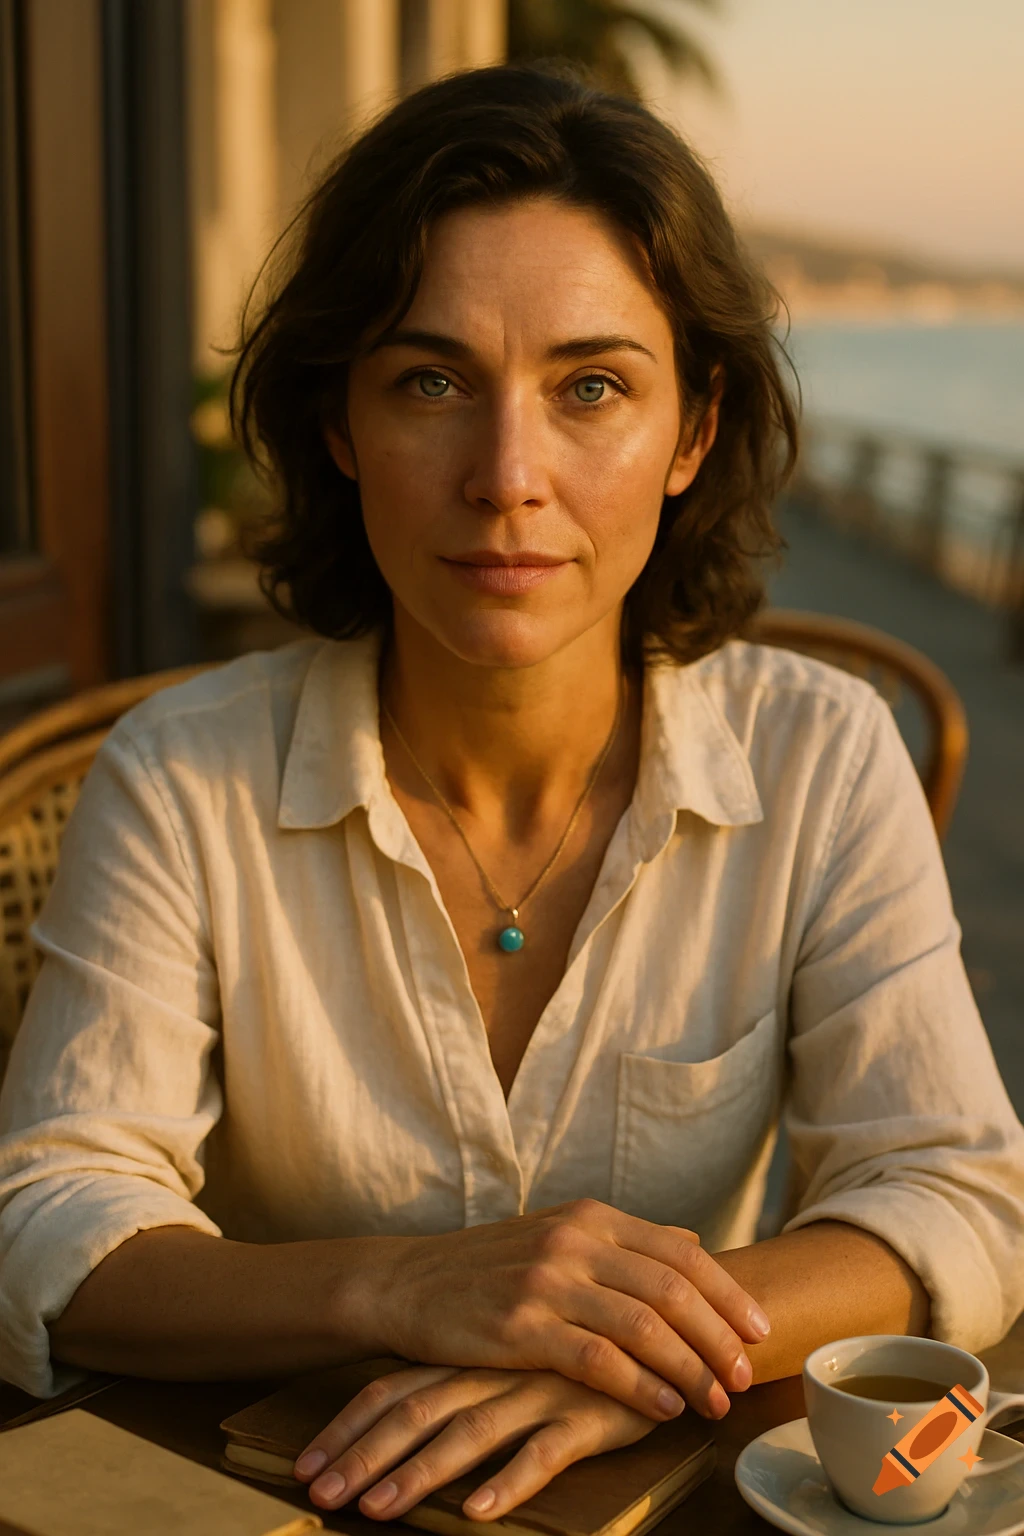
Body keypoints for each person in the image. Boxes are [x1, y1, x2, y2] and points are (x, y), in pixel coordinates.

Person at [1, 59, 1023, 1525]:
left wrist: (624, 1354)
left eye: (591, 386)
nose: (507, 474)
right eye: (431, 382)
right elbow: (50, 1223)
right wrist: (407, 1287)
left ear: (692, 433)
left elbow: (955, 1187)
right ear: (341, 426)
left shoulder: (822, 755)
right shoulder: (182, 777)